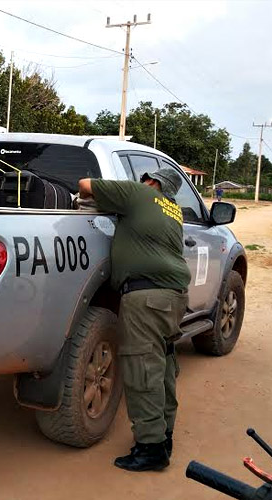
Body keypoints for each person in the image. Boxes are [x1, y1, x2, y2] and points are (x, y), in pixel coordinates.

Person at [78, 169, 191, 472]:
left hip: (147, 298)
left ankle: (151, 448)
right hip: (173, 297)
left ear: (153, 183)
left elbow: (84, 185)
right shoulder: (173, 209)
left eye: (145, 178)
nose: (140, 181)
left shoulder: (140, 194)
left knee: (142, 370)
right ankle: (164, 435)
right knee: (163, 365)